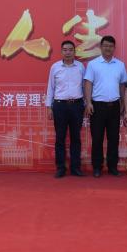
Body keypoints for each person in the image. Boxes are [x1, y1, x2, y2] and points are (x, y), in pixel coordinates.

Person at [84, 35, 127, 178]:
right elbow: (88, 83)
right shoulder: (93, 64)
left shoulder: (120, 65)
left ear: (114, 48)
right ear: (100, 47)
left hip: (114, 106)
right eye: (105, 46)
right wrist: (88, 102)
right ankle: (97, 167)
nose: (108, 48)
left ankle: (112, 166)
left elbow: (122, 85)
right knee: (97, 138)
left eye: (110, 46)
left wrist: (123, 103)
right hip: (97, 106)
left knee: (113, 138)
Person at [45, 40, 86, 178]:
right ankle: (60, 168)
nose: (68, 52)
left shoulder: (80, 67)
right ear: (61, 51)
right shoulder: (55, 67)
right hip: (60, 105)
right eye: (65, 50)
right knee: (60, 138)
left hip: (77, 105)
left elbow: (84, 87)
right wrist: (49, 107)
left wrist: (86, 104)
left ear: (74, 52)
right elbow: (51, 87)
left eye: (70, 50)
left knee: (76, 138)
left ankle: (75, 168)